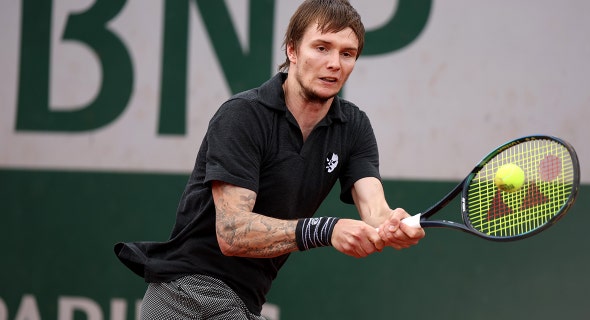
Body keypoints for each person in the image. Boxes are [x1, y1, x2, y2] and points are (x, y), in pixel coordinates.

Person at [114, 0, 425, 318]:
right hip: (185, 296)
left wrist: (391, 225)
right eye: (321, 47)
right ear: (292, 50)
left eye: (347, 53)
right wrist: (325, 229)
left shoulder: (354, 127)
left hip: (242, 302)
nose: (334, 63)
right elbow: (233, 232)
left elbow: (374, 208)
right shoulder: (242, 115)